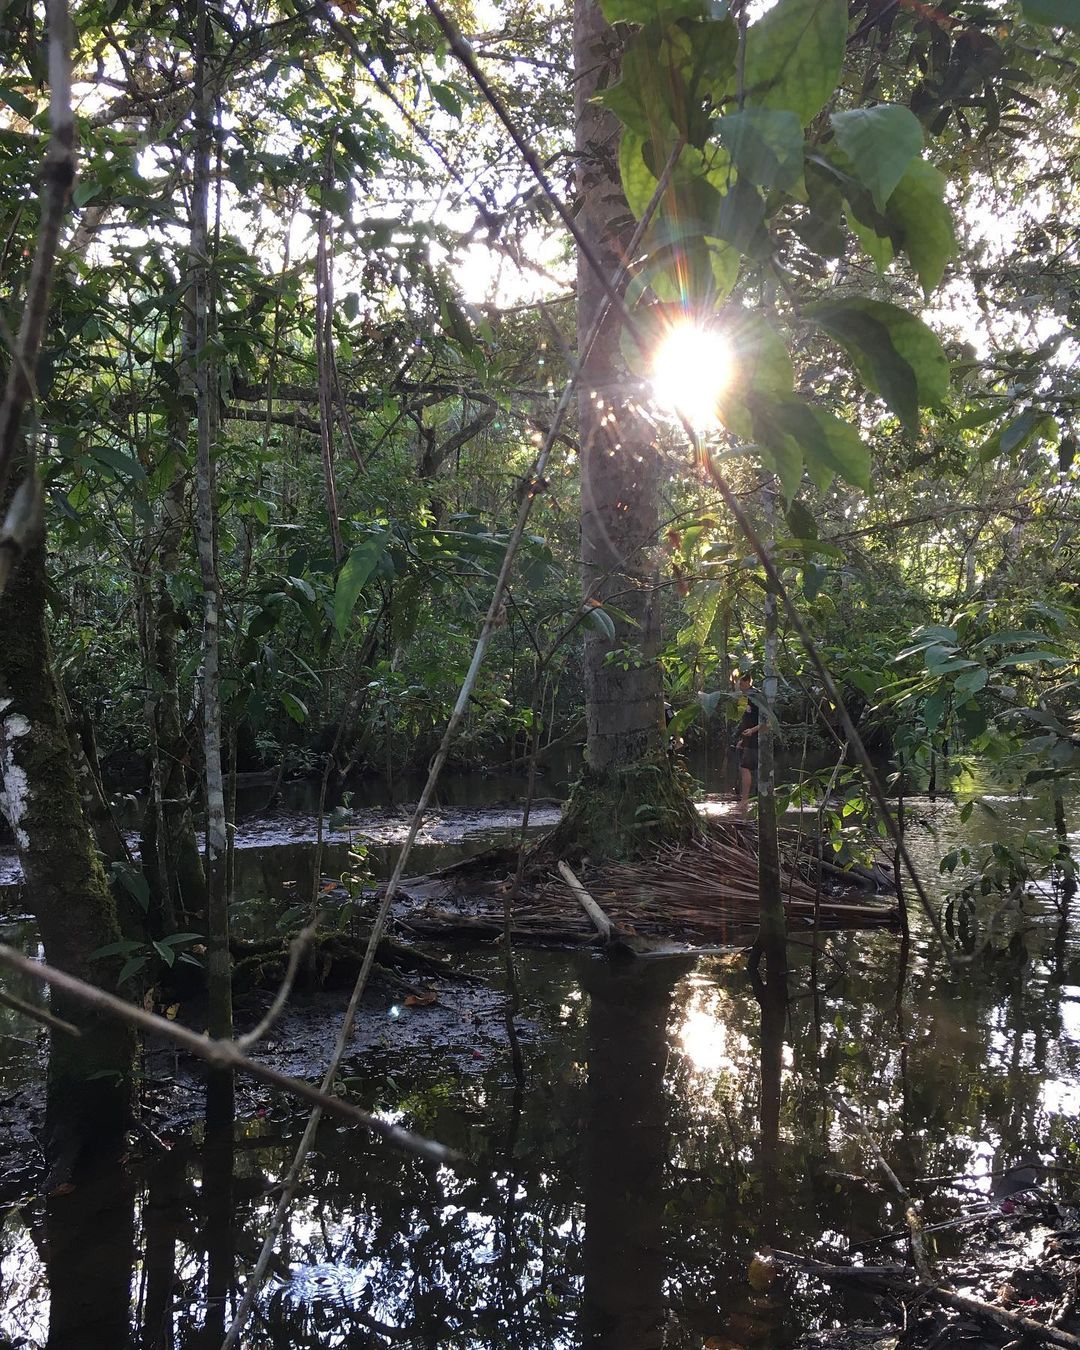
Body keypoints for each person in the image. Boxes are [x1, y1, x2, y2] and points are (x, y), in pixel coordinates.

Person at [733, 671, 760, 814]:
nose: (738, 685)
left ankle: (745, 802)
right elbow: (746, 721)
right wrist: (742, 740)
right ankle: (748, 800)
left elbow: (767, 721)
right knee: (749, 768)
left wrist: (752, 731)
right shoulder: (745, 698)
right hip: (748, 739)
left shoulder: (756, 696)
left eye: (740, 682)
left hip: (757, 738)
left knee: (745, 768)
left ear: (748, 681)